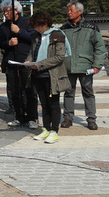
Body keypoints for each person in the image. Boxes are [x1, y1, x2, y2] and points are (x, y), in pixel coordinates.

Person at [23, 10, 72, 144]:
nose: (36, 28)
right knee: (44, 104)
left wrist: (39, 64)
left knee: (53, 104)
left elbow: (59, 57)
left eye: (38, 25)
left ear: (45, 23)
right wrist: (28, 61)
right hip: (38, 74)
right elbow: (32, 52)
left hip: (52, 75)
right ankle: (46, 128)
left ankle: (54, 131)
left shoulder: (57, 35)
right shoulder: (36, 36)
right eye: (34, 26)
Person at [59, 1, 105, 131]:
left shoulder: (91, 27)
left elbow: (99, 47)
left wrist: (97, 65)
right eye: (67, 10)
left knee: (88, 92)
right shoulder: (63, 28)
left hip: (86, 66)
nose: (68, 12)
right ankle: (67, 118)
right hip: (68, 66)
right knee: (68, 92)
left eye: (71, 10)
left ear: (79, 11)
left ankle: (91, 119)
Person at [0, 0, 38, 130]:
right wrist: (7, 43)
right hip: (11, 62)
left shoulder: (27, 22)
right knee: (15, 91)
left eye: (8, 10)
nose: (5, 13)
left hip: (26, 61)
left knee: (29, 91)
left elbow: (33, 38)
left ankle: (32, 117)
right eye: (4, 11)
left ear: (16, 10)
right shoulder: (3, 26)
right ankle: (18, 116)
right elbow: (0, 43)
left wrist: (19, 31)